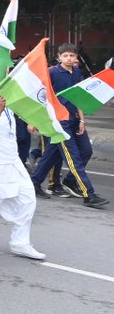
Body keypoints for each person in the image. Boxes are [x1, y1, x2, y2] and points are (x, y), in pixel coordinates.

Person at [0, 90, 46, 259]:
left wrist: (31, 121)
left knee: (27, 198)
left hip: (12, 159)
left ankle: (20, 243)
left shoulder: (10, 99)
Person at [30, 44, 107, 208]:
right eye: (65, 56)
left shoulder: (77, 72)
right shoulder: (52, 72)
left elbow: (77, 97)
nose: (69, 58)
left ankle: (35, 183)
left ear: (76, 57)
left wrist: (82, 120)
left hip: (74, 119)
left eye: (72, 55)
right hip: (59, 122)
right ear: (59, 57)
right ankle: (89, 195)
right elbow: (39, 96)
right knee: (74, 158)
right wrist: (34, 120)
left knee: (80, 151)